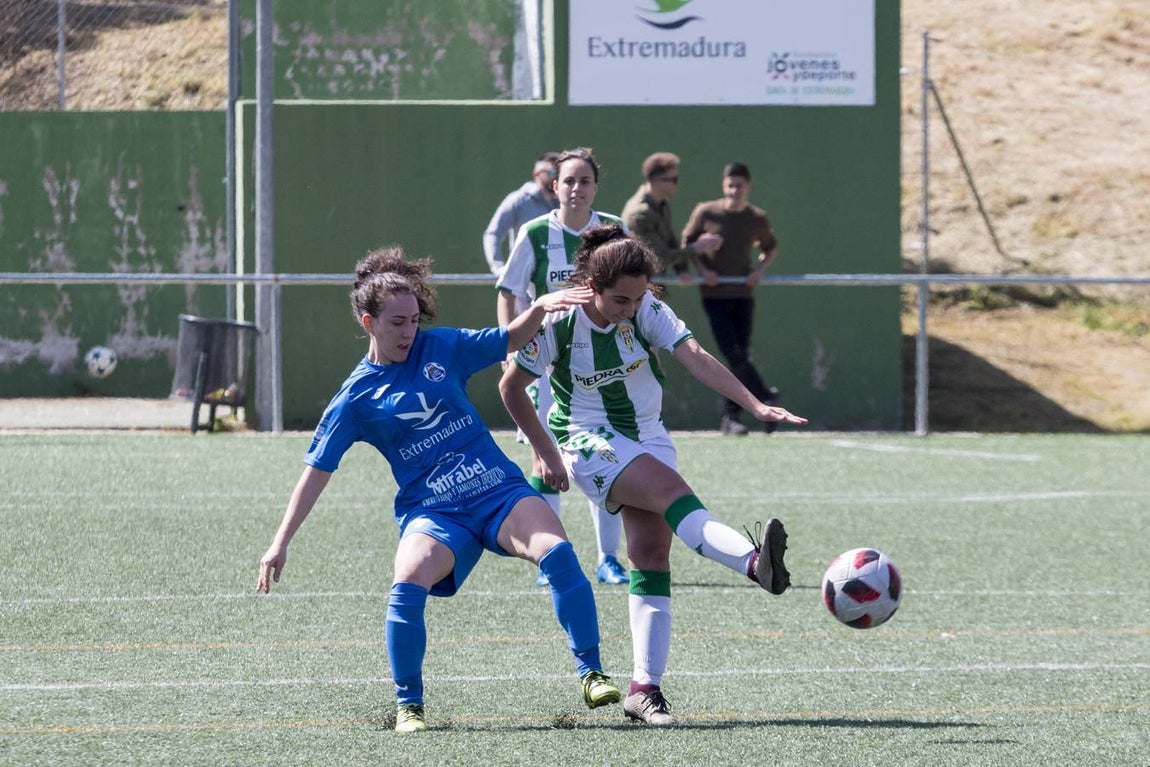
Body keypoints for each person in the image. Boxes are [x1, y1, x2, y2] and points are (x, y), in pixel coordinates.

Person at [255, 247, 620, 734]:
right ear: (369, 322)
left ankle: (592, 673)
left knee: (558, 553)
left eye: (414, 321)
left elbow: (511, 338)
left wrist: (539, 307)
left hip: (497, 490)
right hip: (434, 512)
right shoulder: (355, 398)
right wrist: (279, 542)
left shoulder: (442, 347)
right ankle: (409, 705)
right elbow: (316, 471)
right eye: (397, 323)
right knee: (407, 581)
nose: (409, 332)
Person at [499, 225, 807, 726]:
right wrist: (545, 452)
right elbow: (511, 388)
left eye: (638, 298)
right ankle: (755, 564)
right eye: (620, 300)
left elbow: (696, 357)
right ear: (593, 287)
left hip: (648, 434)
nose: (630, 308)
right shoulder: (558, 321)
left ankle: (644, 689)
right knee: (671, 492)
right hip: (586, 437)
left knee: (650, 554)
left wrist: (755, 405)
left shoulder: (648, 309)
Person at [496, 147, 630, 587]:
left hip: (601, 364)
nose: (576, 188)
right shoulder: (535, 232)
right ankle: (552, 560)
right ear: (554, 187)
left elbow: (636, 291)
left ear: (596, 188)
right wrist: (509, 345)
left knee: (606, 456)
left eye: (584, 181)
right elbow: (509, 292)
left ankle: (608, 560)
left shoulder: (614, 232)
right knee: (544, 458)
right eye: (568, 181)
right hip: (545, 363)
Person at [681, 162, 781, 436]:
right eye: (730, 185)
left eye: (739, 185)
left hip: (743, 295)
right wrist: (703, 270)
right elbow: (688, 245)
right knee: (733, 353)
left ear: (748, 187)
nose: (734, 190)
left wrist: (759, 270)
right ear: (723, 186)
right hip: (714, 296)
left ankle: (730, 417)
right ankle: (765, 396)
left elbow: (770, 248)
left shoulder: (756, 217)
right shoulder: (706, 211)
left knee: (739, 358)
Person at [621, 151, 723, 280]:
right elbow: (657, 257)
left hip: (653, 281)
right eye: (673, 180)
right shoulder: (640, 214)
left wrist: (682, 269)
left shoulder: (662, 204)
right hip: (636, 284)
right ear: (656, 181)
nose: (677, 184)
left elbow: (670, 241)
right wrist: (696, 248)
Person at [482, 151, 561, 276]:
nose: (556, 177)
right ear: (537, 174)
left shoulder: (564, 203)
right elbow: (493, 234)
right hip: (524, 276)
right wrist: (498, 268)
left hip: (555, 276)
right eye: (552, 172)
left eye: (560, 173)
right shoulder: (518, 200)